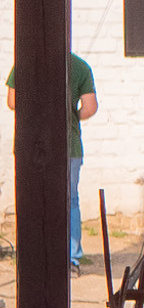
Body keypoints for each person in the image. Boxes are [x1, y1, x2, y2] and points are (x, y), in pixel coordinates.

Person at [6, 53, 98, 269]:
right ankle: (71, 257)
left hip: (31, 144)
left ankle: (32, 255)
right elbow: (90, 107)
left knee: (32, 198)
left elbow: (12, 101)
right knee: (70, 199)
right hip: (68, 144)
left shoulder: (24, 63)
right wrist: (71, 116)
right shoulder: (79, 66)